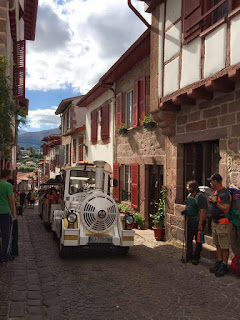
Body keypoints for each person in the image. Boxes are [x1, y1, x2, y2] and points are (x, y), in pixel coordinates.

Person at [208, 173, 232, 277]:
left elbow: (226, 209)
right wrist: (211, 201)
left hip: (223, 223)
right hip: (215, 222)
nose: (210, 183)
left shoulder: (225, 193)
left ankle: (224, 265)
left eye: (211, 181)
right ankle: (219, 261)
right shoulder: (215, 192)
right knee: (217, 244)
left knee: (224, 245)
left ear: (216, 182)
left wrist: (215, 202)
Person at [181, 180, 208, 265]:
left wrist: (200, 223)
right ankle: (189, 254)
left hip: (197, 221)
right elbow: (187, 205)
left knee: (198, 240)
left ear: (193, 188)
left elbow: (203, 210)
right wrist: (185, 216)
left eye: (188, 187)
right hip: (190, 220)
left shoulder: (200, 197)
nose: (187, 188)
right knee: (188, 238)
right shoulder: (189, 196)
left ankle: (196, 257)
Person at [0, 169, 17, 262]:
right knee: (6, 235)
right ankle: (5, 255)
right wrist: (14, 214)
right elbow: (11, 202)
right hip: (5, 213)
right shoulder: (8, 185)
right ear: (8, 176)